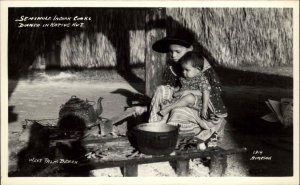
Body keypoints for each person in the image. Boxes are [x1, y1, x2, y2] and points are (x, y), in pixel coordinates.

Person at [134, 29, 227, 147]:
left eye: (178, 51)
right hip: (179, 97)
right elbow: (170, 86)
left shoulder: (199, 64)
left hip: (199, 102)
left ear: (190, 49)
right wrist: (169, 94)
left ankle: (182, 131)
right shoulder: (172, 66)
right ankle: (155, 124)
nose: (173, 55)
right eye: (171, 52)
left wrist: (188, 92)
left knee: (179, 111)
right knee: (161, 89)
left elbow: (215, 90)